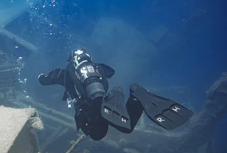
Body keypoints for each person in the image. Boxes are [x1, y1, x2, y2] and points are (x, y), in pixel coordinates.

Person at [38, 48, 194, 141]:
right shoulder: (97, 67)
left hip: (89, 106)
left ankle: (124, 96)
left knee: (97, 134)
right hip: (104, 100)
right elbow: (111, 72)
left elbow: (51, 78)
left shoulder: (68, 71)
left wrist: (42, 79)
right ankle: (131, 95)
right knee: (123, 127)